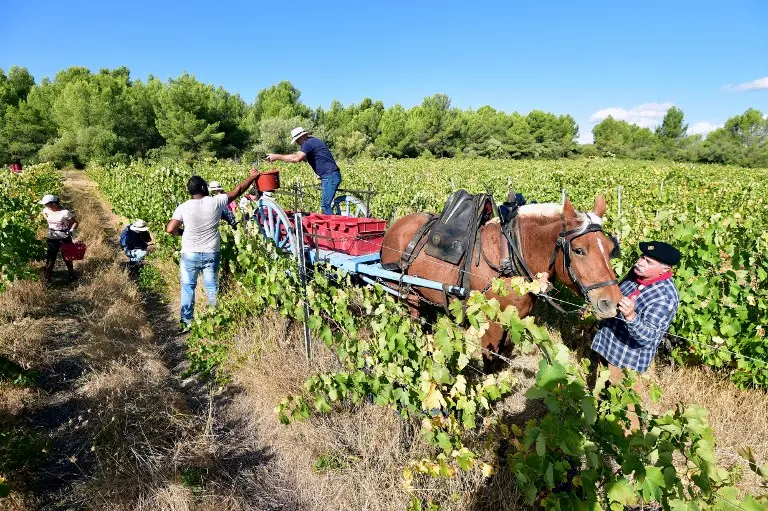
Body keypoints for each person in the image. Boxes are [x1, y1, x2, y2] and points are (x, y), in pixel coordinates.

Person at [591, 240, 681, 429]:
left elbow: (647, 337)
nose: (640, 263)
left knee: (625, 407)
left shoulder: (665, 297)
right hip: (607, 344)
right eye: (642, 257)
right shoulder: (636, 275)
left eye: (648, 262)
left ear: (664, 270)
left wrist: (631, 316)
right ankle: (599, 427)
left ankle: (630, 446)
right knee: (601, 392)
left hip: (626, 359)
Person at [165, 170, 261, 330]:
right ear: (204, 187)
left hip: (189, 253)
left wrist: (181, 233)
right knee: (211, 287)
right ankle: (216, 321)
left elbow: (170, 229)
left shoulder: (183, 207)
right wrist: (252, 177)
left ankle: (186, 323)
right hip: (211, 252)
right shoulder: (215, 202)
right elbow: (238, 190)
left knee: (188, 287)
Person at [266, 127, 342, 215]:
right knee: (326, 204)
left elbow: (297, 158)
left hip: (330, 177)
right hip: (330, 176)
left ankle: (332, 226)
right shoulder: (313, 141)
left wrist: (277, 157)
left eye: (297, 140)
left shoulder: (308, 144)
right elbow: (305, 158)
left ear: (302, 137)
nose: (296, 142)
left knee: (325, 205)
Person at [40, 194, 79, 283]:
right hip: (52, 238)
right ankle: (47, 279)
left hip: (64, 237)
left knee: (67, 258)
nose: (45, 206)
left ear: (53, 203)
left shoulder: (64, 213)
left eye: (47, 204)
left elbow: (75, 222)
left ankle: (71, 275)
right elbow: (40, 216)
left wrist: (71, 230)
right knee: (50, 259)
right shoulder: (45, 211)